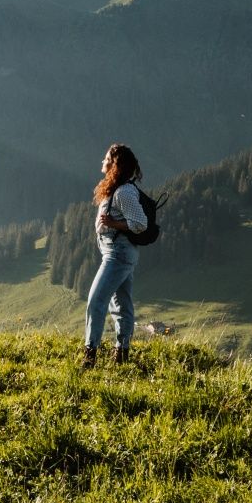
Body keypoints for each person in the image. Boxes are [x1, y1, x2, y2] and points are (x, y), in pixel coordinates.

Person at [84, 142, 147, 367]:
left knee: (96, 301)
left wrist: (113, 224)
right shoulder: (116, 189)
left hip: (118, 253)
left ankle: (90, 355)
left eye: (107, 159)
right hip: (116, 252)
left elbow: (140, 223)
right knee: (121, 304)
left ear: (115, 165)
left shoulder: (124, 192)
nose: (103, 162)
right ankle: (121, 353)